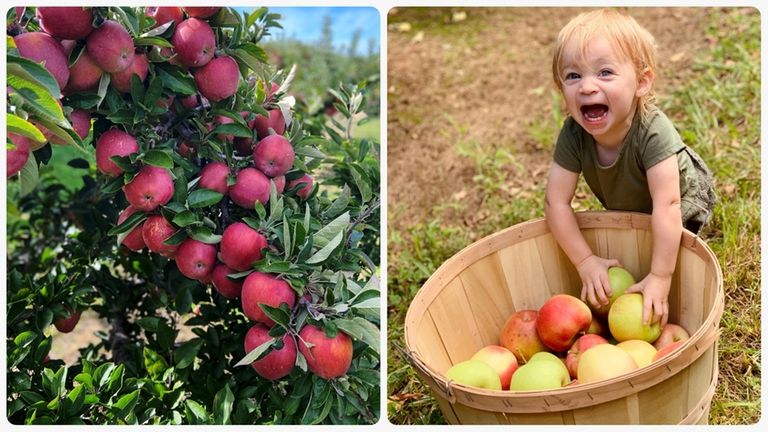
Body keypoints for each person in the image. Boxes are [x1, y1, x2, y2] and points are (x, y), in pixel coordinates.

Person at [544, 9, 716, 328]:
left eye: (605, 72)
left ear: (641, 82)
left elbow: (668, 205)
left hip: (682, 200)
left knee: (674, 246)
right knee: (638, 244)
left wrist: (661, 277)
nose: (586, 87)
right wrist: (585, 262)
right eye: (573, 76)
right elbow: (556, 202)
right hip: (632, 203)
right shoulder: (573, 134)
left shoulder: (652, 131)